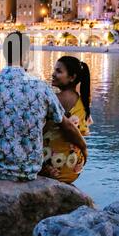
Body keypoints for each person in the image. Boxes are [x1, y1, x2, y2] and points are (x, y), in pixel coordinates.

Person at [0, 32, 87, 204]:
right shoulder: (42, 88)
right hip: (31, 168)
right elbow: (67, 126)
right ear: (27, 55)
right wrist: (83, 148)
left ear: (5, 54)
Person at [39, 56, 93, 184]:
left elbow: (39, 130)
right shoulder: (83, 101)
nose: (53, 74)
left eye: (59, 71)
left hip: (51, 167)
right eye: (54, 70)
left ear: (72, 77)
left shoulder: (53, 99)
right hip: (73, 168)